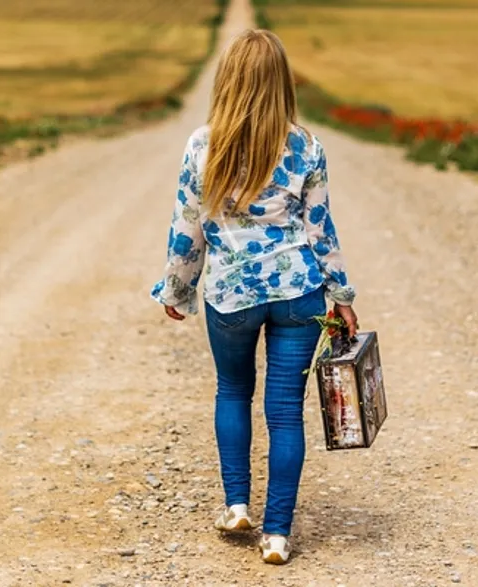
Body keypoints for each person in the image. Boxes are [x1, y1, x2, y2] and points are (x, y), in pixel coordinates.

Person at [149, 28, 358, 566]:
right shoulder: (306, 146)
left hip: (231, 294)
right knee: (285, 413)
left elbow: (187, 228)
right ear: (281, 83)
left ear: (228, 80)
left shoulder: (203, 144)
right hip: (298, 293)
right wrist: (342, 294)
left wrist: (177, 287)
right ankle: (278, 535)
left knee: (233, 391)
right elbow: (321, 229)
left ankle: (237, 505)